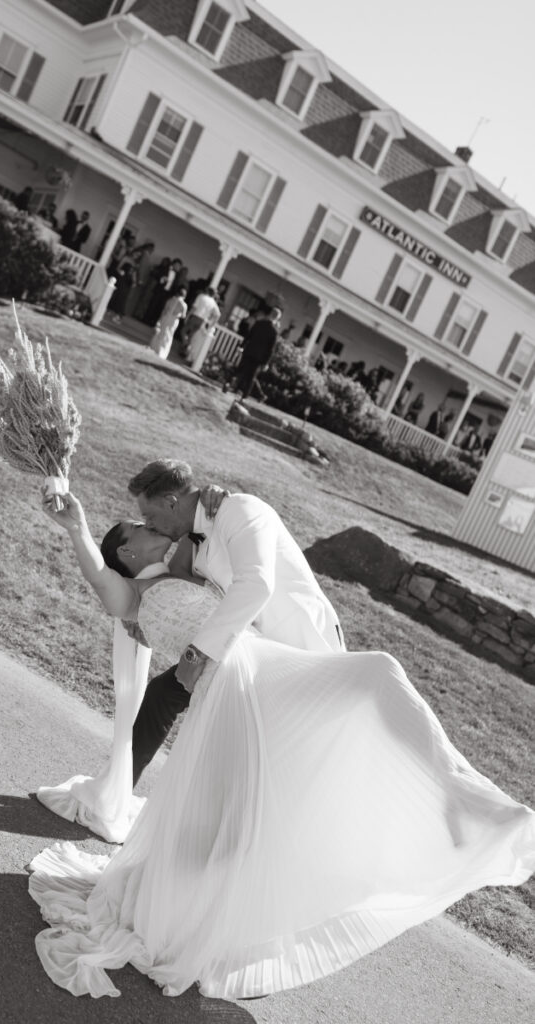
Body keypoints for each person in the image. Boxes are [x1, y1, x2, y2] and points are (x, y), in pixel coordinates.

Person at [29, 471, 535, 1002]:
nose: (145, 524)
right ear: (125, 552)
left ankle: (464, 803)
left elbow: (243, 575)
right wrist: (78, 526)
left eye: (148, 515)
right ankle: (208, 919)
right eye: (136, 527)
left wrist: (198, 642)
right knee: (235, 809)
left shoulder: (195, 550)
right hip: (224, 692)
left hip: (265, 663)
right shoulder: (134, 590)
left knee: (376, 676)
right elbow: (100, 577)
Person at [234, 306, 282, 401]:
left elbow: (249, 336)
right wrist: (266, 363)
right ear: (277, 318)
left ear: (270, 314)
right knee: (251, 377)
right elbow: (270, 349)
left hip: (249, 351)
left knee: (241, 369)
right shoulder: (274, 332)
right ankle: (244, 396)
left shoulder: (258, 323)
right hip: (259, 357)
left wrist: (242, 346)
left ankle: (231, 385)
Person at [149, 286, 188, 359]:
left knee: (161, 331)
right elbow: (183, 316)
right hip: (173, 319)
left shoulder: (171, 300)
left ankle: (154, 347)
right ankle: (162, 351)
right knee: (168, 335)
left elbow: (165, 310)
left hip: (166, 316)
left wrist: (159, 319)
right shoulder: (183, 304)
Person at [185, 290, 221, 367]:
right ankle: (189, 356)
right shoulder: (212, 304)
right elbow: (217, 315)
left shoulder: (209, 302)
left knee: (195, 341)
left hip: (202, 323)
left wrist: (211, 324)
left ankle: (190, 357)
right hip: (203, 323)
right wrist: (211, 324)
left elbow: (217, 315)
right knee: (194, 340)